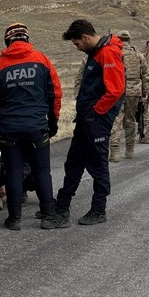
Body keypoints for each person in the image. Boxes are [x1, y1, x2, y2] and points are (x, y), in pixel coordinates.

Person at [44, 19, 125, 228]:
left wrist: (96, 112)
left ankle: (99, 209)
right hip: (86, 120)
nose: (77, 47)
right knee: (74, 163)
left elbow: (116, 90)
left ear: (85, 37)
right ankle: (62, 206)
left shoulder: (107, 53)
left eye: (76, 43)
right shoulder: (95, 53)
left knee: (98, 165)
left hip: (96, 120)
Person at [0, 22, 62, 229]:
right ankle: (47, 216)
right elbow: (54, 93)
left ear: (8, 40)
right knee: (42, 171)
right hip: (37, 127)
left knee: (13, 171)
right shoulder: (42, 60)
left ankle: (14, 219)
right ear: (26, 38)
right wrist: (53, 122)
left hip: (9, 130)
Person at [109, 30, 149, 161]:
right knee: (130, 120)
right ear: (129, 40)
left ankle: (114, 152)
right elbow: (146, 74)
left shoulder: (113, 53)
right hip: (133, 91)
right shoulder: (137, 55)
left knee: (116, 120)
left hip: (116, 90)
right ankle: (130, 150)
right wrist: (145, 92)